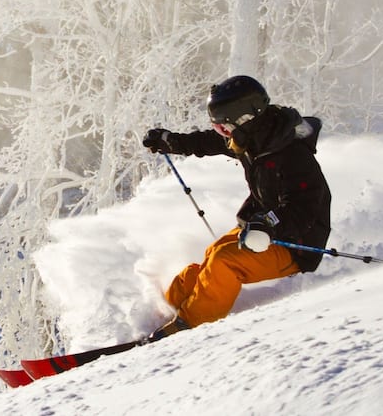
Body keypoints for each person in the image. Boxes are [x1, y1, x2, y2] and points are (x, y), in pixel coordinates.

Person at [140, 75, 331, 338]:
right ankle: (170, 307)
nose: (224, 135)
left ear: (244, 120)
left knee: (224, 263)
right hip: (263, 229)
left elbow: (305, 208)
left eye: (224, 128)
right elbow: (208, 142)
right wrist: (170, 141)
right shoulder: (255, 138)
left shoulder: (292, 154)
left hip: (296, 243)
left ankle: (188, 326)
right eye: (220, 129)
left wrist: (270, 223)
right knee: (214, 252)